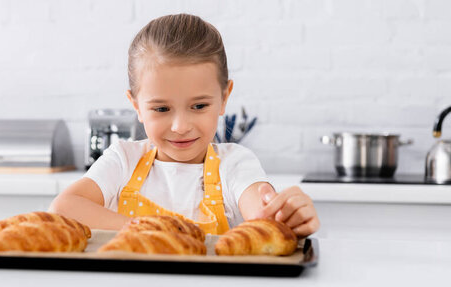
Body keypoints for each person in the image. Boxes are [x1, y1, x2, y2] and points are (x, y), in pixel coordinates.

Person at [50, 13, 319, 237]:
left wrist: (286, 217)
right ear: (136, 106)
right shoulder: (123, 160)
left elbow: (263, 217)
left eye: (199, 106)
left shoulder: (235, 164)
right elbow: (63, 208)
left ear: (224, 97)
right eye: (161, 109)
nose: (180, 126)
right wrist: (153, 231)